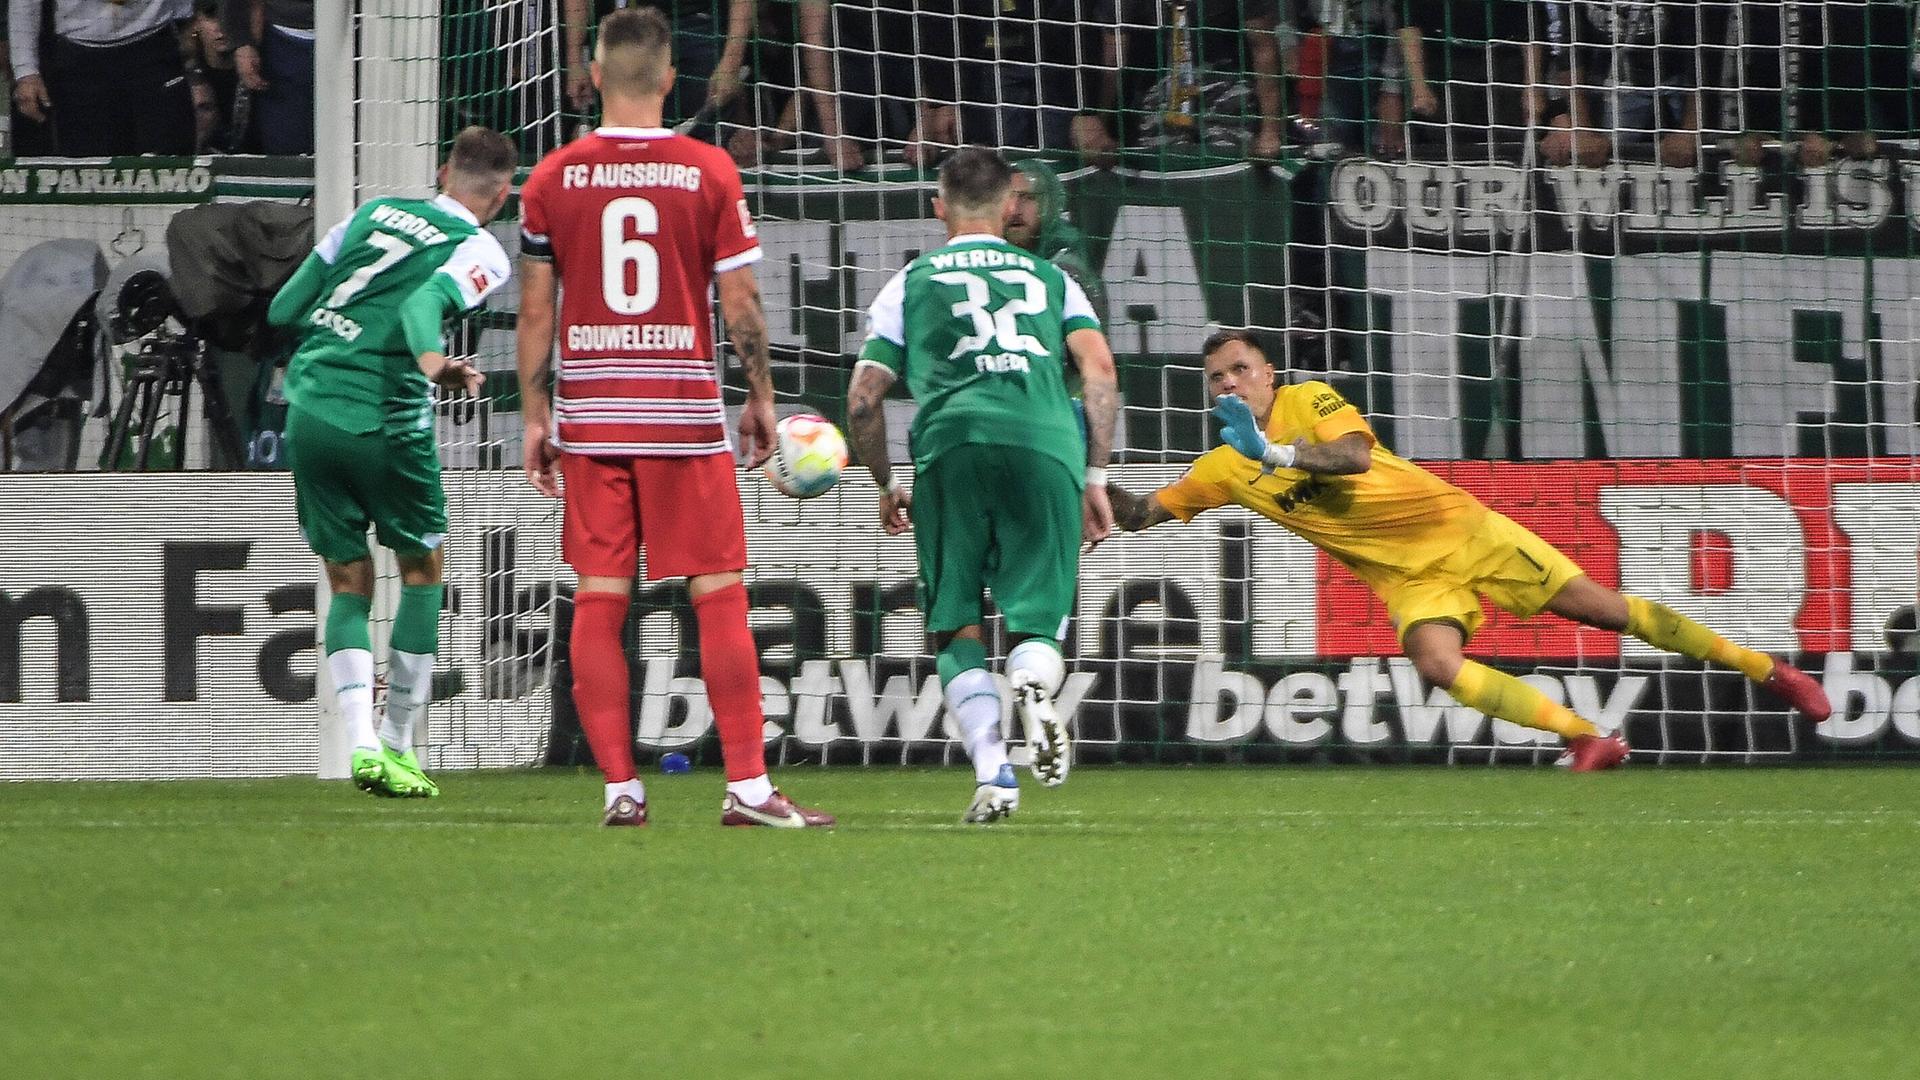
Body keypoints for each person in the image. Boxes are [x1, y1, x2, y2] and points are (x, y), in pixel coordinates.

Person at [1102, 330, 1833, 769]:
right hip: (1406, 575)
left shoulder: (1309, 402)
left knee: (1607, 613)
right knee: (1436, 662)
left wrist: (1278, 451)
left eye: (1240, 369)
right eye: (1216, 378)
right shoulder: (1221, 468)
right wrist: (1086, 475)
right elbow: (1140, 515)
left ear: (1269, 374)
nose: (1229, 383)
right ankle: (1588, 739)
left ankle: (1770, 671)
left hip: (1463, 532)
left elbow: (1354, 458)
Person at [515, 7, 832, 829]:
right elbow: (741, 302)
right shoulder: (709, 169)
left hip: (591, 416)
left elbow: (536, 315)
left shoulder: (551, 177)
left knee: (599, 597)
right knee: (719, 595)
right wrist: (760, 395)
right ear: (668, 79)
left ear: (591, 78)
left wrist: (533, 414)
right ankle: (750, 789)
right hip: (682, 415)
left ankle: (622, 789)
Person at [845, 146, 1120, 823]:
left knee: (956, 623)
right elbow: (1102, 373)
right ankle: (1032, 682)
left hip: (952, 447)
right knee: (1039, 624)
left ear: (938, 208)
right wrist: (1096, 476)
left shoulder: (910, 280)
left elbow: (861, 399)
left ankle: (995, 772)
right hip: (1046, 444)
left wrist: (885, 482)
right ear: (1009, 208)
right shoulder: (1054, 280)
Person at [268, 126, 518, 798]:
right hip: (385, 419)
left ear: (443, 171)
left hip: (312, 407)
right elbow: (420, 302)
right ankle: (401, 745)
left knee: (348, 582)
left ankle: (359, 745)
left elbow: (284, 306)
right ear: (501, 193)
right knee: (422, 569)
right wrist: (434, 360)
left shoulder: (371, 212)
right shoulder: (484, 250)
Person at [8, 0, 196, 156]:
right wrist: (26, 71)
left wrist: (188, 17)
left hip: (154, 43)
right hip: (80, 59)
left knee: (170, 166)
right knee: (87, 173)